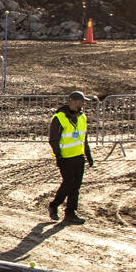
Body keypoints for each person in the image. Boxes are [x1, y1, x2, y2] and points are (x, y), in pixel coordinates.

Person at [45, 92, 92, 223]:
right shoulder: (59, 118)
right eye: (82, 101)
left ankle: (70, 212)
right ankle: (54, 205)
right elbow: (53, 139)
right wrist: (58, 156)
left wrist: (88, 155)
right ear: (75, 102)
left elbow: (84, 138)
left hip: (78, 156)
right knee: (68, 183)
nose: (83, 104)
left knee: (76, 185)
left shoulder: (82, 117)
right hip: (66, 158)